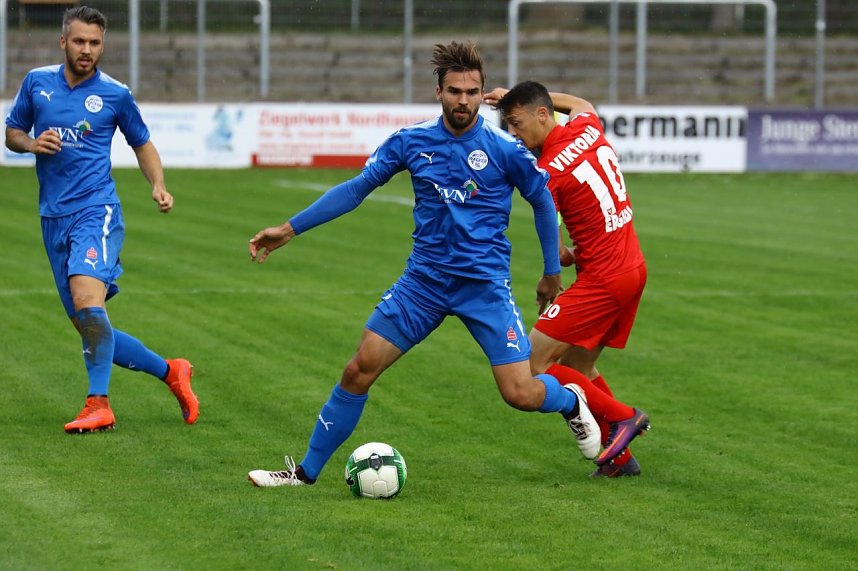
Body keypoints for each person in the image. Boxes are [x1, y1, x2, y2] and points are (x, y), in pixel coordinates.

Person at [246, 41, 601, 488]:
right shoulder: (411, 141)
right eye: (455, 90)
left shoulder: (505, 149)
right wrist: (290, 228)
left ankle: (569, 402)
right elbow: (357, 189)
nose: (464, 100)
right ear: (439, 92)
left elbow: (543, 202)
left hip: (484, 286)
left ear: (482, 92)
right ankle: (303, 473)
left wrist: (552, 271)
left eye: (472, 91)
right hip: (424, 283)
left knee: (520, 393)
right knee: (359, 368)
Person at [4, 6, 199, 433]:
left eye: (95, 43)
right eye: (79, 42)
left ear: (102, 45)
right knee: (88, 325)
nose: (87, 50)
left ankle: (98, 405)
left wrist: (158, 184)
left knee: (88, 304)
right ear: (63, 42)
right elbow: (12, 132)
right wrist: (33, 144)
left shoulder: (115, 94)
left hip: (97, 211)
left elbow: (142, 143)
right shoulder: (37, 83)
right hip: (52, 217)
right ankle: (172, 371)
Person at [486, 81, 650, 477]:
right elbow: (580, 101)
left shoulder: (547, 171)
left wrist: (553, 270)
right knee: (578, 366)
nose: (514, 135)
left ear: (543, 115)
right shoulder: (586, 127)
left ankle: (626, 416)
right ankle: (619, 460)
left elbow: (556, 249)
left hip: (603, 279)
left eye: (517, 123)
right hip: (633, 268)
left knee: (532, 365)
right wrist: (516, 93)